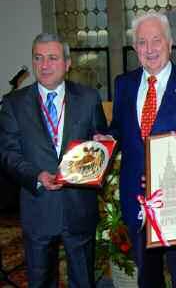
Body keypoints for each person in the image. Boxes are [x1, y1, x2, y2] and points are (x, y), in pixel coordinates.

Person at [110, 12, 176, 288]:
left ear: (170, 43)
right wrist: (104, 139)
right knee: (147, 275)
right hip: (136, 198)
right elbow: (119, 128)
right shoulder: (123, 84)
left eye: (156, 40)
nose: (150, 49)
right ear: (135, 49)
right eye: (142, 42)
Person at [0, 33, 107, 288]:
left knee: (83, 280)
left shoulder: (89, 98)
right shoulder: (14, 103)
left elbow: (102, 137)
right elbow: (8, 153)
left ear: (67, 64)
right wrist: (36, 176)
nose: (44, 65)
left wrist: (103, 142)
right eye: (38, 58)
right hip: (38, 208)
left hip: (79, 207)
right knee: (40, 281)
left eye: (52, 58)